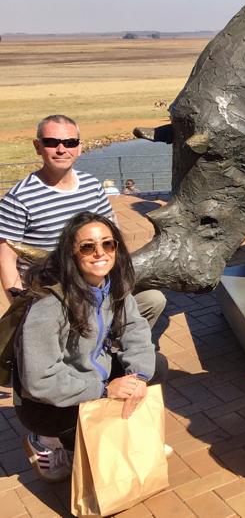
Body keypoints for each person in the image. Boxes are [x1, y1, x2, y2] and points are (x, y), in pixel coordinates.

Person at [15, 212, 165, 483]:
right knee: (74, 441)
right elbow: (39, 380)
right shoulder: (50, 305)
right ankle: (47, 440)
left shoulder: (113, 286)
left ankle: (113, 433)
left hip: (93, 377)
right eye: (88, 247)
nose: (100, 253)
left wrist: (138, 375)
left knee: (156, 367)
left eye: (108, 244)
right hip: (46, 403)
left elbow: (136, 330)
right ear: (71, 253)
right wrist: (104, 390)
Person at [0, 115, 165, 325]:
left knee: (152, 301)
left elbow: (110, 237)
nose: (62, 149)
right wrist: (21, 309)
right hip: (51, 297)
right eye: (51, 142)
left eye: (70, 143)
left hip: (94, 286)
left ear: (79, 147)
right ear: (37, 146)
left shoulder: (92, 186)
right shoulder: (19, 198)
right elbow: (6, 260)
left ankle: (110, 348)